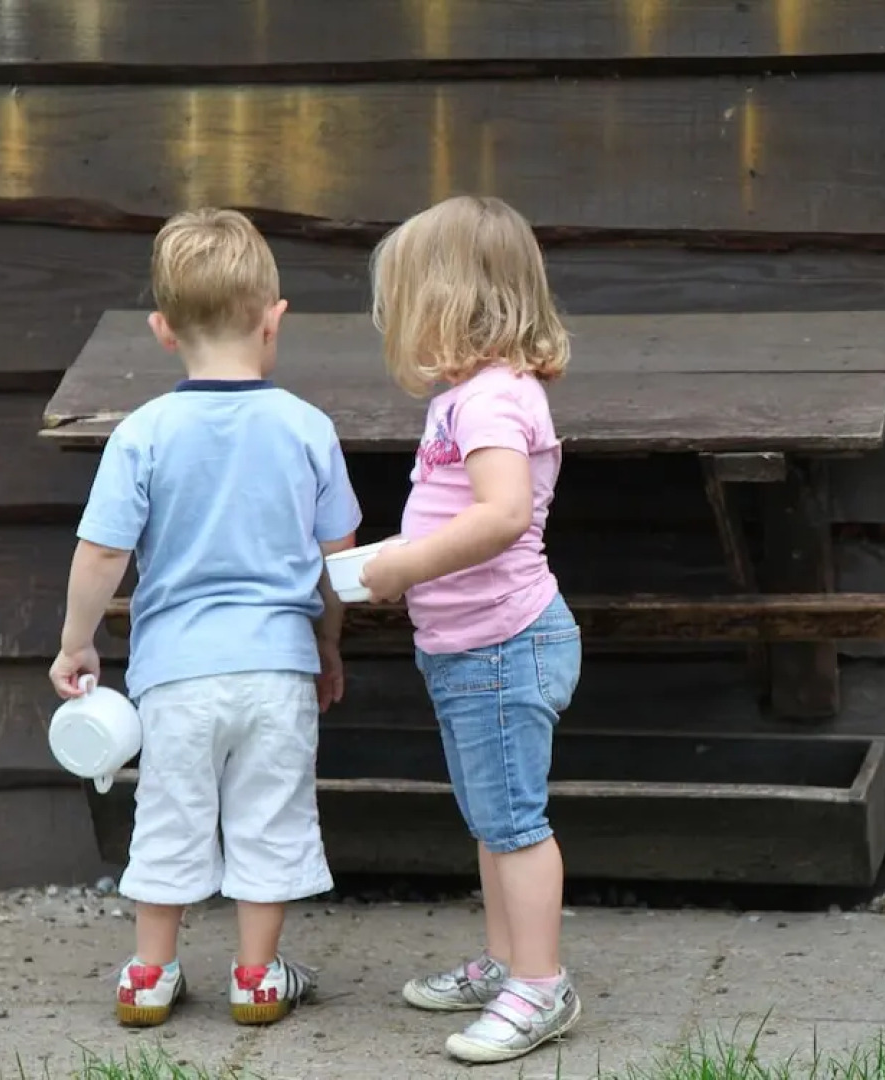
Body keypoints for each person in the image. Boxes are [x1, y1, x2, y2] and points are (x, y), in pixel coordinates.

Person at [48, 208, 363, 1028]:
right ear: (274, 318)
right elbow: (340, 556)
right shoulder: (307, 428)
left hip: (176, 676)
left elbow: (101, 554)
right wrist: (326, 640)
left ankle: (149, 974)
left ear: (160, 330)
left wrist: (77, 642)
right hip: (276, 669)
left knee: (172, 814)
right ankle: (256, 979)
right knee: (269, 815)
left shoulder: (143, 434)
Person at [359, 194, 582, 1065]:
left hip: (501, 645)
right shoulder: (473, 396)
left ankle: (541, 984)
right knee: (493, 816)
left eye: (408, 301)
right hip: (472, 649)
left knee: (515, 821)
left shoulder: (488, 403)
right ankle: (505, 962)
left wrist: (404, 565)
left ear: (451, 303)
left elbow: (501, 515)